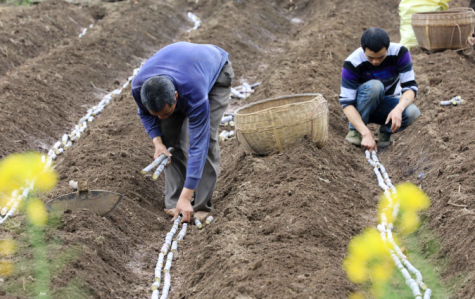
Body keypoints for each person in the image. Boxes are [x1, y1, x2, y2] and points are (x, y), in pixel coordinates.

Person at [131, 42, 233, 223]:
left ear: (176, 97)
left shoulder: (193, 92)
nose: (161, 118)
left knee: (207, 140)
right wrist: (158, 143)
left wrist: (188, 196)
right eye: (157, 114)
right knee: (169, 137)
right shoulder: (139, 88)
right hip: (183, 67)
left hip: (215, 73)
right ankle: (175, 201)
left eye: (166, 113)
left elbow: (198, 145)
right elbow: (144, 115)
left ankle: (200, 205)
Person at [339, 28, 420, 152]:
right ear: (362, 48)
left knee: (412, 112)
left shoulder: (400, 53)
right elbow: (347, 103)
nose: (376, 61)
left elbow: (410, 87)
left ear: (388, 47)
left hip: (386, 105)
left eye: (381, 57)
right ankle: (356, 132)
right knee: (375, 87)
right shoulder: (352, 62)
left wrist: (399, 109)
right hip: (361, 106)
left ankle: (385, 131)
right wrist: (366, 133)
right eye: (370, 57)